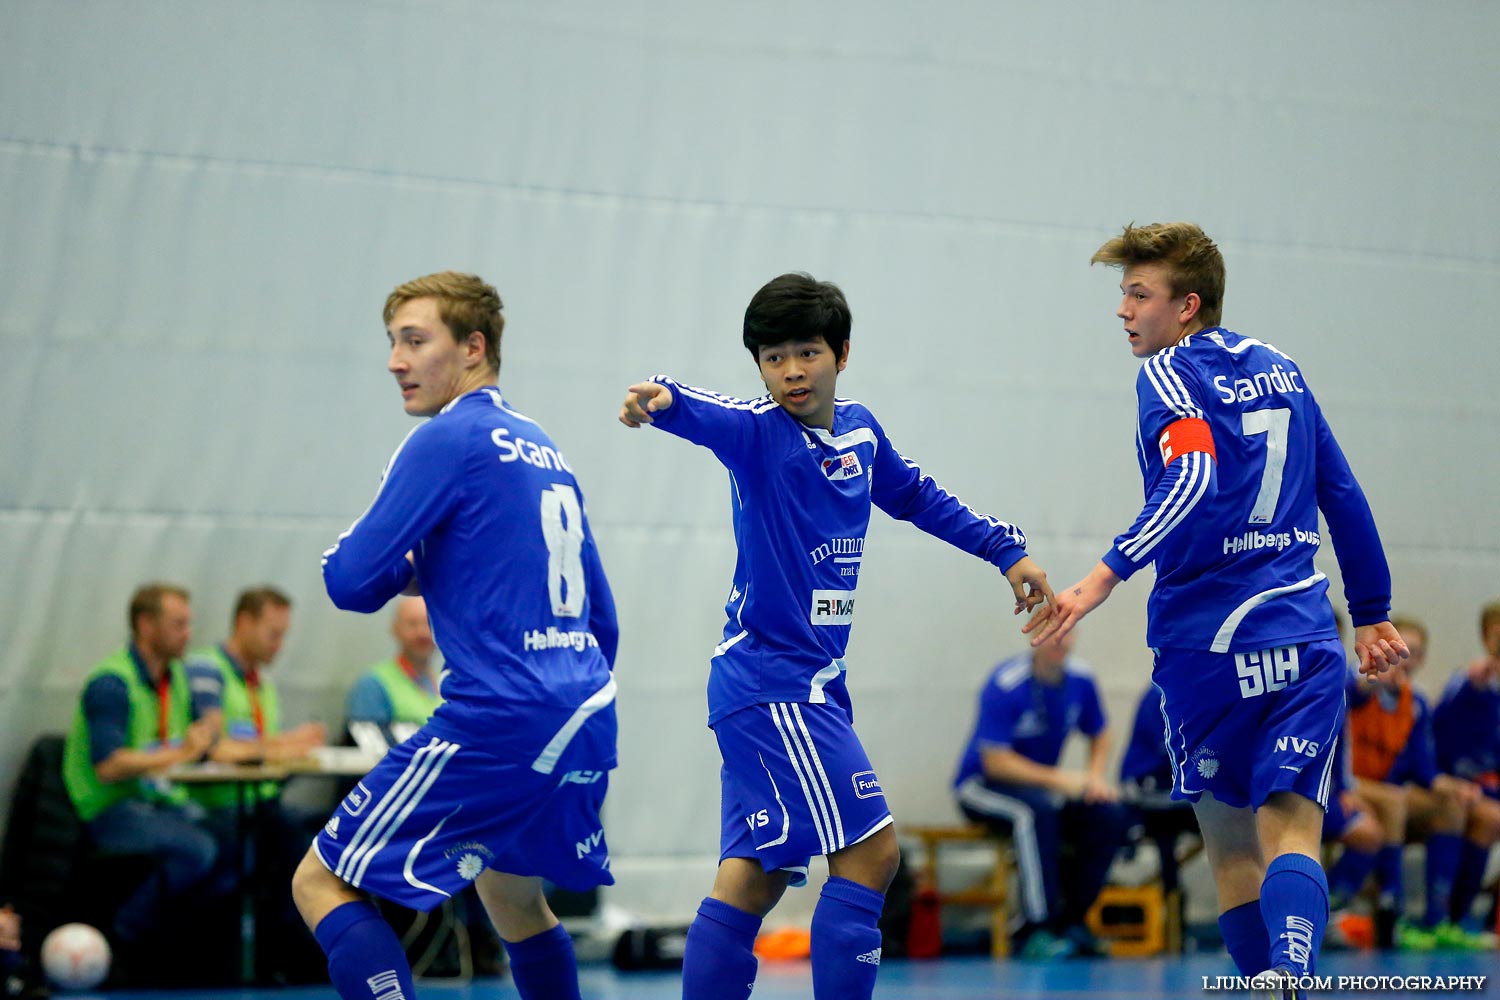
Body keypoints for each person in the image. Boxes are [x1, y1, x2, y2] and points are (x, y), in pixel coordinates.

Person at [619, 272, 1053, 1000]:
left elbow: (916, 495)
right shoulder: (759, 435)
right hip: (774, 684)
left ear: (841, 353)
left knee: (752, 877)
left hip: (794, 685)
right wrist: (659, 398)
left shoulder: (861, 431)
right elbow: (704, 411)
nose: (791, 370)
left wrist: (1005, 550)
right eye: (773, 357)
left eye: (807, 352)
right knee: (874, 854)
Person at [1025, 223, 1410, 996]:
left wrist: (1103, 577)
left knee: (1232, 840)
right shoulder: (1284, 369)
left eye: (1140, 294)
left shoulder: (1168, 373)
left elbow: (1193, 473)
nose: (1124, 311)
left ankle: (1274, 986)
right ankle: (1294, 977)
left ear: (1187, 307)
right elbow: (1340, 491)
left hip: (1210, 640)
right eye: (1123, 294)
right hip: (1303, 629)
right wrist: (1371, 610)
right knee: (1294, 826)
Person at [290, 271, 618, 1000]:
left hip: (501, 718)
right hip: (587, 711)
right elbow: (605, 619)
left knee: (319, 880)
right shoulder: (544, 449)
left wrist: (402, 565)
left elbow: (349, 581)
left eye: (414, 340)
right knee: (513, 901)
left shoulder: (449, 438)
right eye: (392, 343)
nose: (395, 361)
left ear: (473, 348)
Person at [61, 584, 235, 965]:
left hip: (157, 799)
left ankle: (179, 946)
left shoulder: (175, 678)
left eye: (188, 624)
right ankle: (124, 936)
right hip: (111, 806)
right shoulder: (112, 683)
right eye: (178, 624)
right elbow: (108, 765)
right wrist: (181, 752)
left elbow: (196, 741)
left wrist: (204, 737)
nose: (187, 634)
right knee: (197, 850)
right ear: (145, 624)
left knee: (236, 843)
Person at [952, 630, 1128, 958]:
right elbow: (995, 762)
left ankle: (1073, 919)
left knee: (1108, 815)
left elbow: (1101, 732)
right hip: (982, 787)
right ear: (1034, 636)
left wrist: (1093, 777)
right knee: (1033, 815)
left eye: (1065, 632)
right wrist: (1061, 780)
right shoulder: (1006, 683)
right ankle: (1035, 927)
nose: (1059, 640)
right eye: (1050, 633)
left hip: (1039, 790)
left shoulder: (1081, 679)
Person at [1345, 616, 1493, 950]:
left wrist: (1452, 786)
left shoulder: (1417, 702)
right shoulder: (1361, 683)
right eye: (1401, 650)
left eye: (1414, 652)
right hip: (1351, 786)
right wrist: (1369, 678)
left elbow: (1422, 768)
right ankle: (1390, 910)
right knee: (1393, 800)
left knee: (1452, 805)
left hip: (1388, 793)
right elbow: (1348, 689)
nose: (1406, 659)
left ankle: (1437, 922)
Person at [185, 585, 326, 804]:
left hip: (260, 799)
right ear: (244, 622)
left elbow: (260, 742)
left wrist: (296, 742)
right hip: (220, 804)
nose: (279, 645)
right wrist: (285, 746)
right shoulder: (207, 670)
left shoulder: (262, 682)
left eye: (283, 636)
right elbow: (214, 749)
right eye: (273, 634)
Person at [1432, 602, 1500, 935]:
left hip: (1492, 788)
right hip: (1461, 784)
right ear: (1487, 638)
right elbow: (1438, 729)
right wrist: (1470, 689)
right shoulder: (1468, 680)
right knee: (1490, 818)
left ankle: (1490, 919)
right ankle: (1454, 916)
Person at [1119, 683, 1201, 906]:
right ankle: (1172, 904)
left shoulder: (1195, 685)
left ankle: (1173, 904)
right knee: (1167, 838)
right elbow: (1174, 749)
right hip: (1151, 794)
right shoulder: (1161, 693)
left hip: (1173, 791)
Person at [345, 596, 443, 750]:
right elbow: (372, 751)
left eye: (429, 624)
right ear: (395, 629)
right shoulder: (373, 685)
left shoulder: (446, 684)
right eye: (412, 624)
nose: (422, 633)